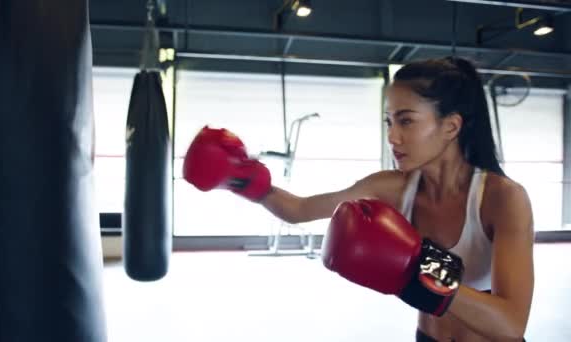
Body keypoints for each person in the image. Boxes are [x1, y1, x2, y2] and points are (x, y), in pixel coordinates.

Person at [183, 56, 534, 341]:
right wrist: (245, 180)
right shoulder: (395, 187)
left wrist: (416, 272)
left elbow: (511, 324)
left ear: (451, 126)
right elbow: (301, 210)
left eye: (406, 121)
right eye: (388, 122)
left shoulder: (502, 199)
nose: (392, 136)